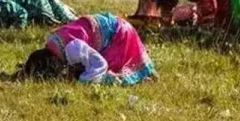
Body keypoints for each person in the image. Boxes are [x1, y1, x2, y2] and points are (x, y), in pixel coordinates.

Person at [12, 12, 156, 85]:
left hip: (118, 33)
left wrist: (83, 81)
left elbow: (101, 65)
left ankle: (144, 76)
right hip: (105, 26)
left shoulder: (73, 49)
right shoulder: (53, 42)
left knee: (111, 73)